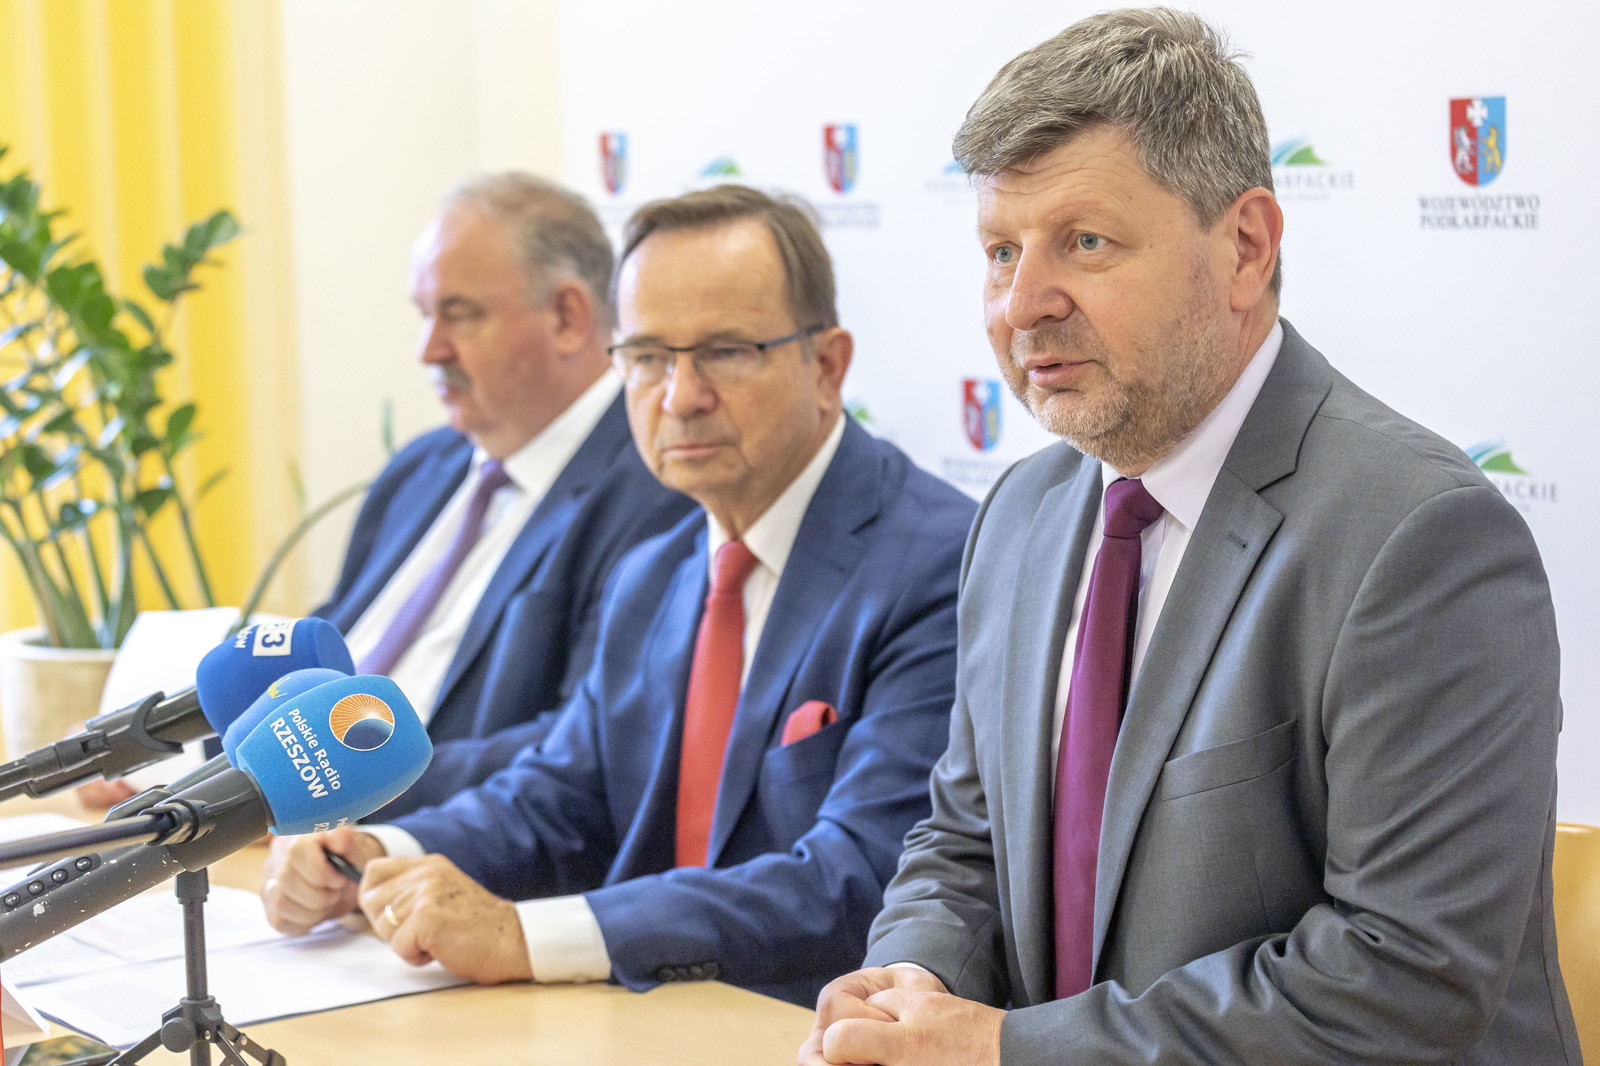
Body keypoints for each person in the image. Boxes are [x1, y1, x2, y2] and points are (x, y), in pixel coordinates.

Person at [804, 9, 1577, 1065]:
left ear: (1246, 247)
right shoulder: (1018, 514)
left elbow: (1402, 977)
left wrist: (1005, 1051)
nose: (1022, 305)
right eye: (1000, 251)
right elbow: (965, 840)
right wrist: (912, 982)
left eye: (1085, 242)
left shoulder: (1422, 537)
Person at [260, 185, 976, 1006]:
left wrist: (524, 935)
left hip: (810, 1025)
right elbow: (559, 797)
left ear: (826, 366)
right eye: (647, 357)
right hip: (640, 1016)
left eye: (726, 352)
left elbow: (859, 878)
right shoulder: (654, 570)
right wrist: (375, 855)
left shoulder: (939, 565)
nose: (680, 396)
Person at [314, 173, 694, 819]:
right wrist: (198, 775)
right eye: (424, 314)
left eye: (460, 314)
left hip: (424, 841)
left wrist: (333, 786)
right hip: (285, 829)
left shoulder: (659, 493)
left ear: (568, 317)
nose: (428, 349)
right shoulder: (420, 468)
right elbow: (330, 642)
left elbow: (584, 744)